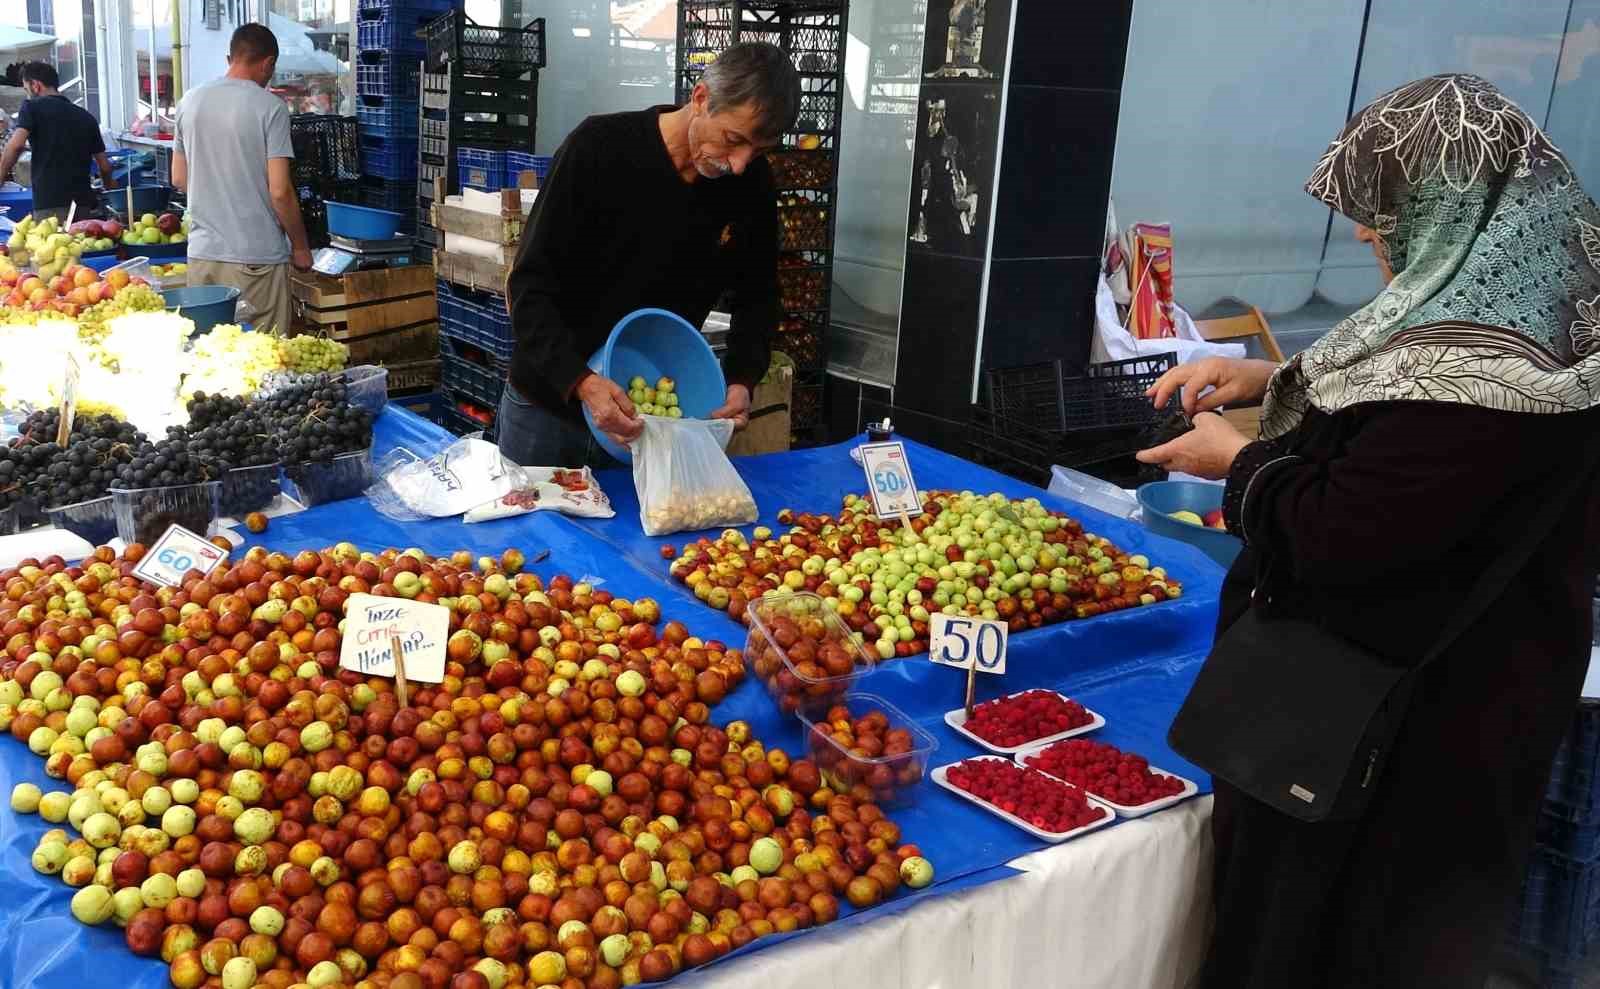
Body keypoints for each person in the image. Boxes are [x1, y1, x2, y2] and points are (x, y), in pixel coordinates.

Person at [1137, 74, 1600, 988]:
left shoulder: (1479, 383)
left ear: (1460, 208)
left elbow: (1345, 530)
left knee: (1324, 947)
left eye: (1385, 206)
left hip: (1386, 753)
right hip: (1476, 711)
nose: (1362, 230)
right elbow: (1405, 419)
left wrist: (1239, 463)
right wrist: (1278, 384)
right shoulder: (1547, 306)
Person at [499, 41, 799, 467]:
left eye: (758, 151)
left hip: (650, 423)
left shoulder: (750, 186)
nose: (740, 164)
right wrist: (581, 381)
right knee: (533, 531)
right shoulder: (599, 149)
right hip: (549, 411)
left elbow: (759, 295)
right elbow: (528, 284)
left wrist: (742, 380)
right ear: (701, 99)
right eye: (734, 140)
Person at [172, 23, 311, 335]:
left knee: (210, 357)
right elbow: (280, 191)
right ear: (268, 63)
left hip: (203, 255)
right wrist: (300, 247)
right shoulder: (270, 108)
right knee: (265, 359)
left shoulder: (188, 103)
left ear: (230, 58)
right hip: (255, 258)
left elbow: (179, 179)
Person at [0, 62, 116, 222]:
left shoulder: (32, 107)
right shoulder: (86, 116)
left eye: (26, 89)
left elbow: (16, 145)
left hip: (49, 204)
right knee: (80, 245)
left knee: (54, 245)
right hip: (82, 205)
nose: (27, 95)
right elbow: (105, 166)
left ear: (35, 85)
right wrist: (110, 188)